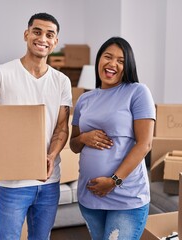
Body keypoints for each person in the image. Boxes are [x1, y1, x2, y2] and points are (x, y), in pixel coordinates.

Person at [0, 13, 72, 240]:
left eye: (49, 34)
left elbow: (62, 128)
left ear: (55, 42)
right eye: (37, 31)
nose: (42, 38)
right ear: (26, 34)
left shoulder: (61, 81)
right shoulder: (1, 73)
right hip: (12, 184)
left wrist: (52, 156)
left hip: (48, 181)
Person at [70, 37, 156, 240]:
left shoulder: (137, 92)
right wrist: (84, 137)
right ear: (99, 60)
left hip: (126, 197)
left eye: (120, 60)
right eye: (108, 57)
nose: (112, 64)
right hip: (90, 196)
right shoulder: (84, 99)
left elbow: (145, 144)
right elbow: (74, 145)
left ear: (128, 67)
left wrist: (113, 181)